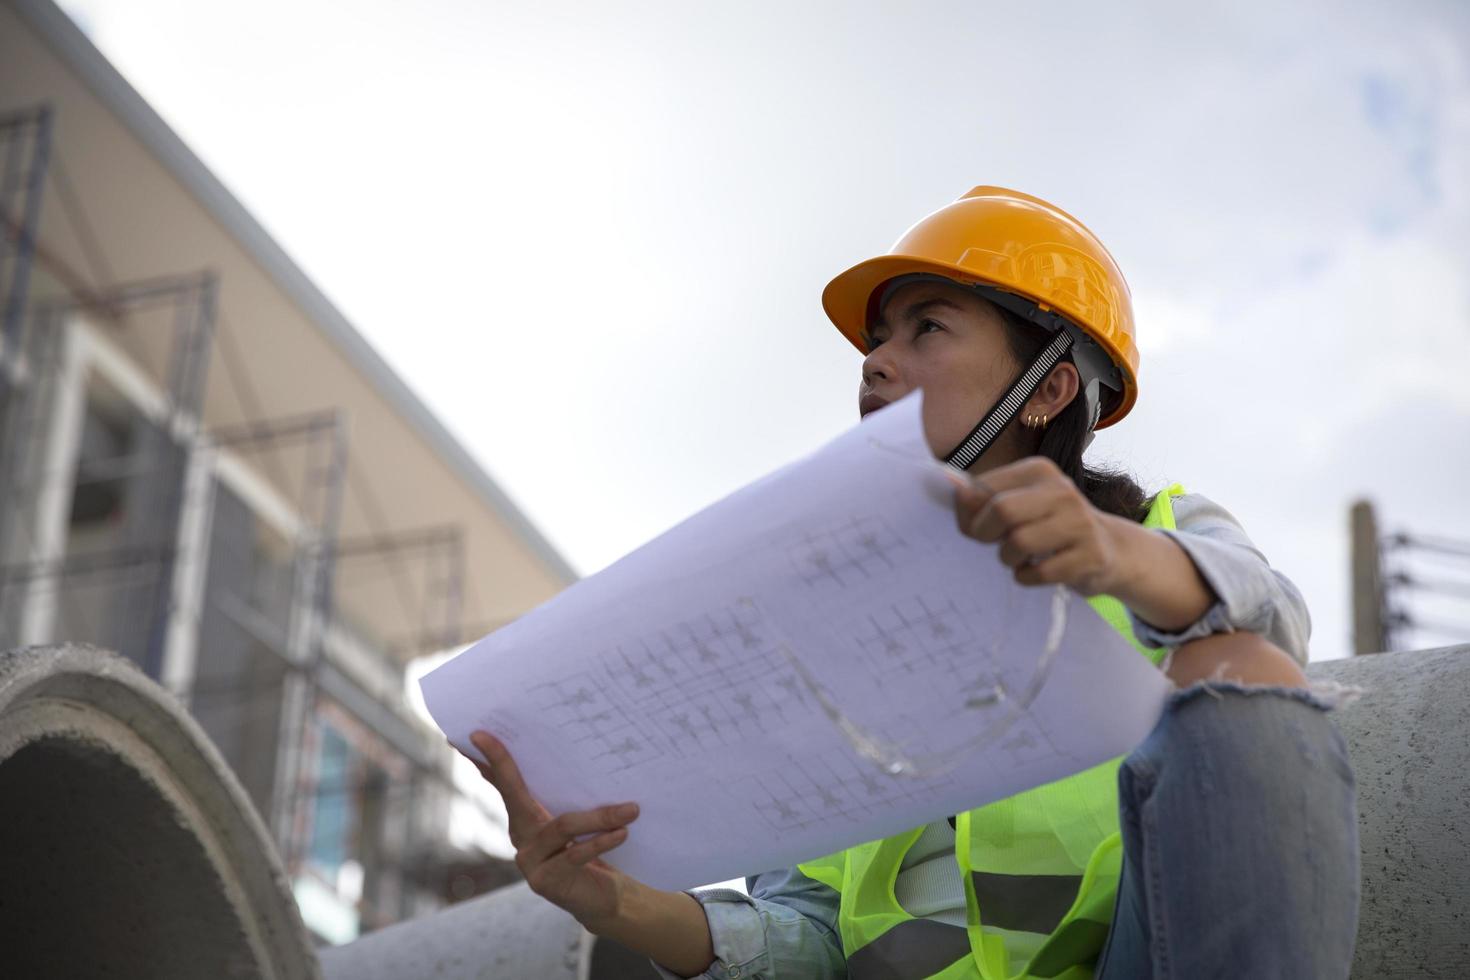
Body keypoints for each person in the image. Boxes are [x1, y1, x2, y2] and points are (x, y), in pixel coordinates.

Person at [460, 187, 1360, 979]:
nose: (876, 360)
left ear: (1046, 389)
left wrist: (1115, 558)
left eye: (926, 327)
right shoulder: (808, 624)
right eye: (878, 339)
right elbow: (804, 939)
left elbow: (1269, 630)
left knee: (1237, 663)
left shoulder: (1162, 532)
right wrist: (615, 902)